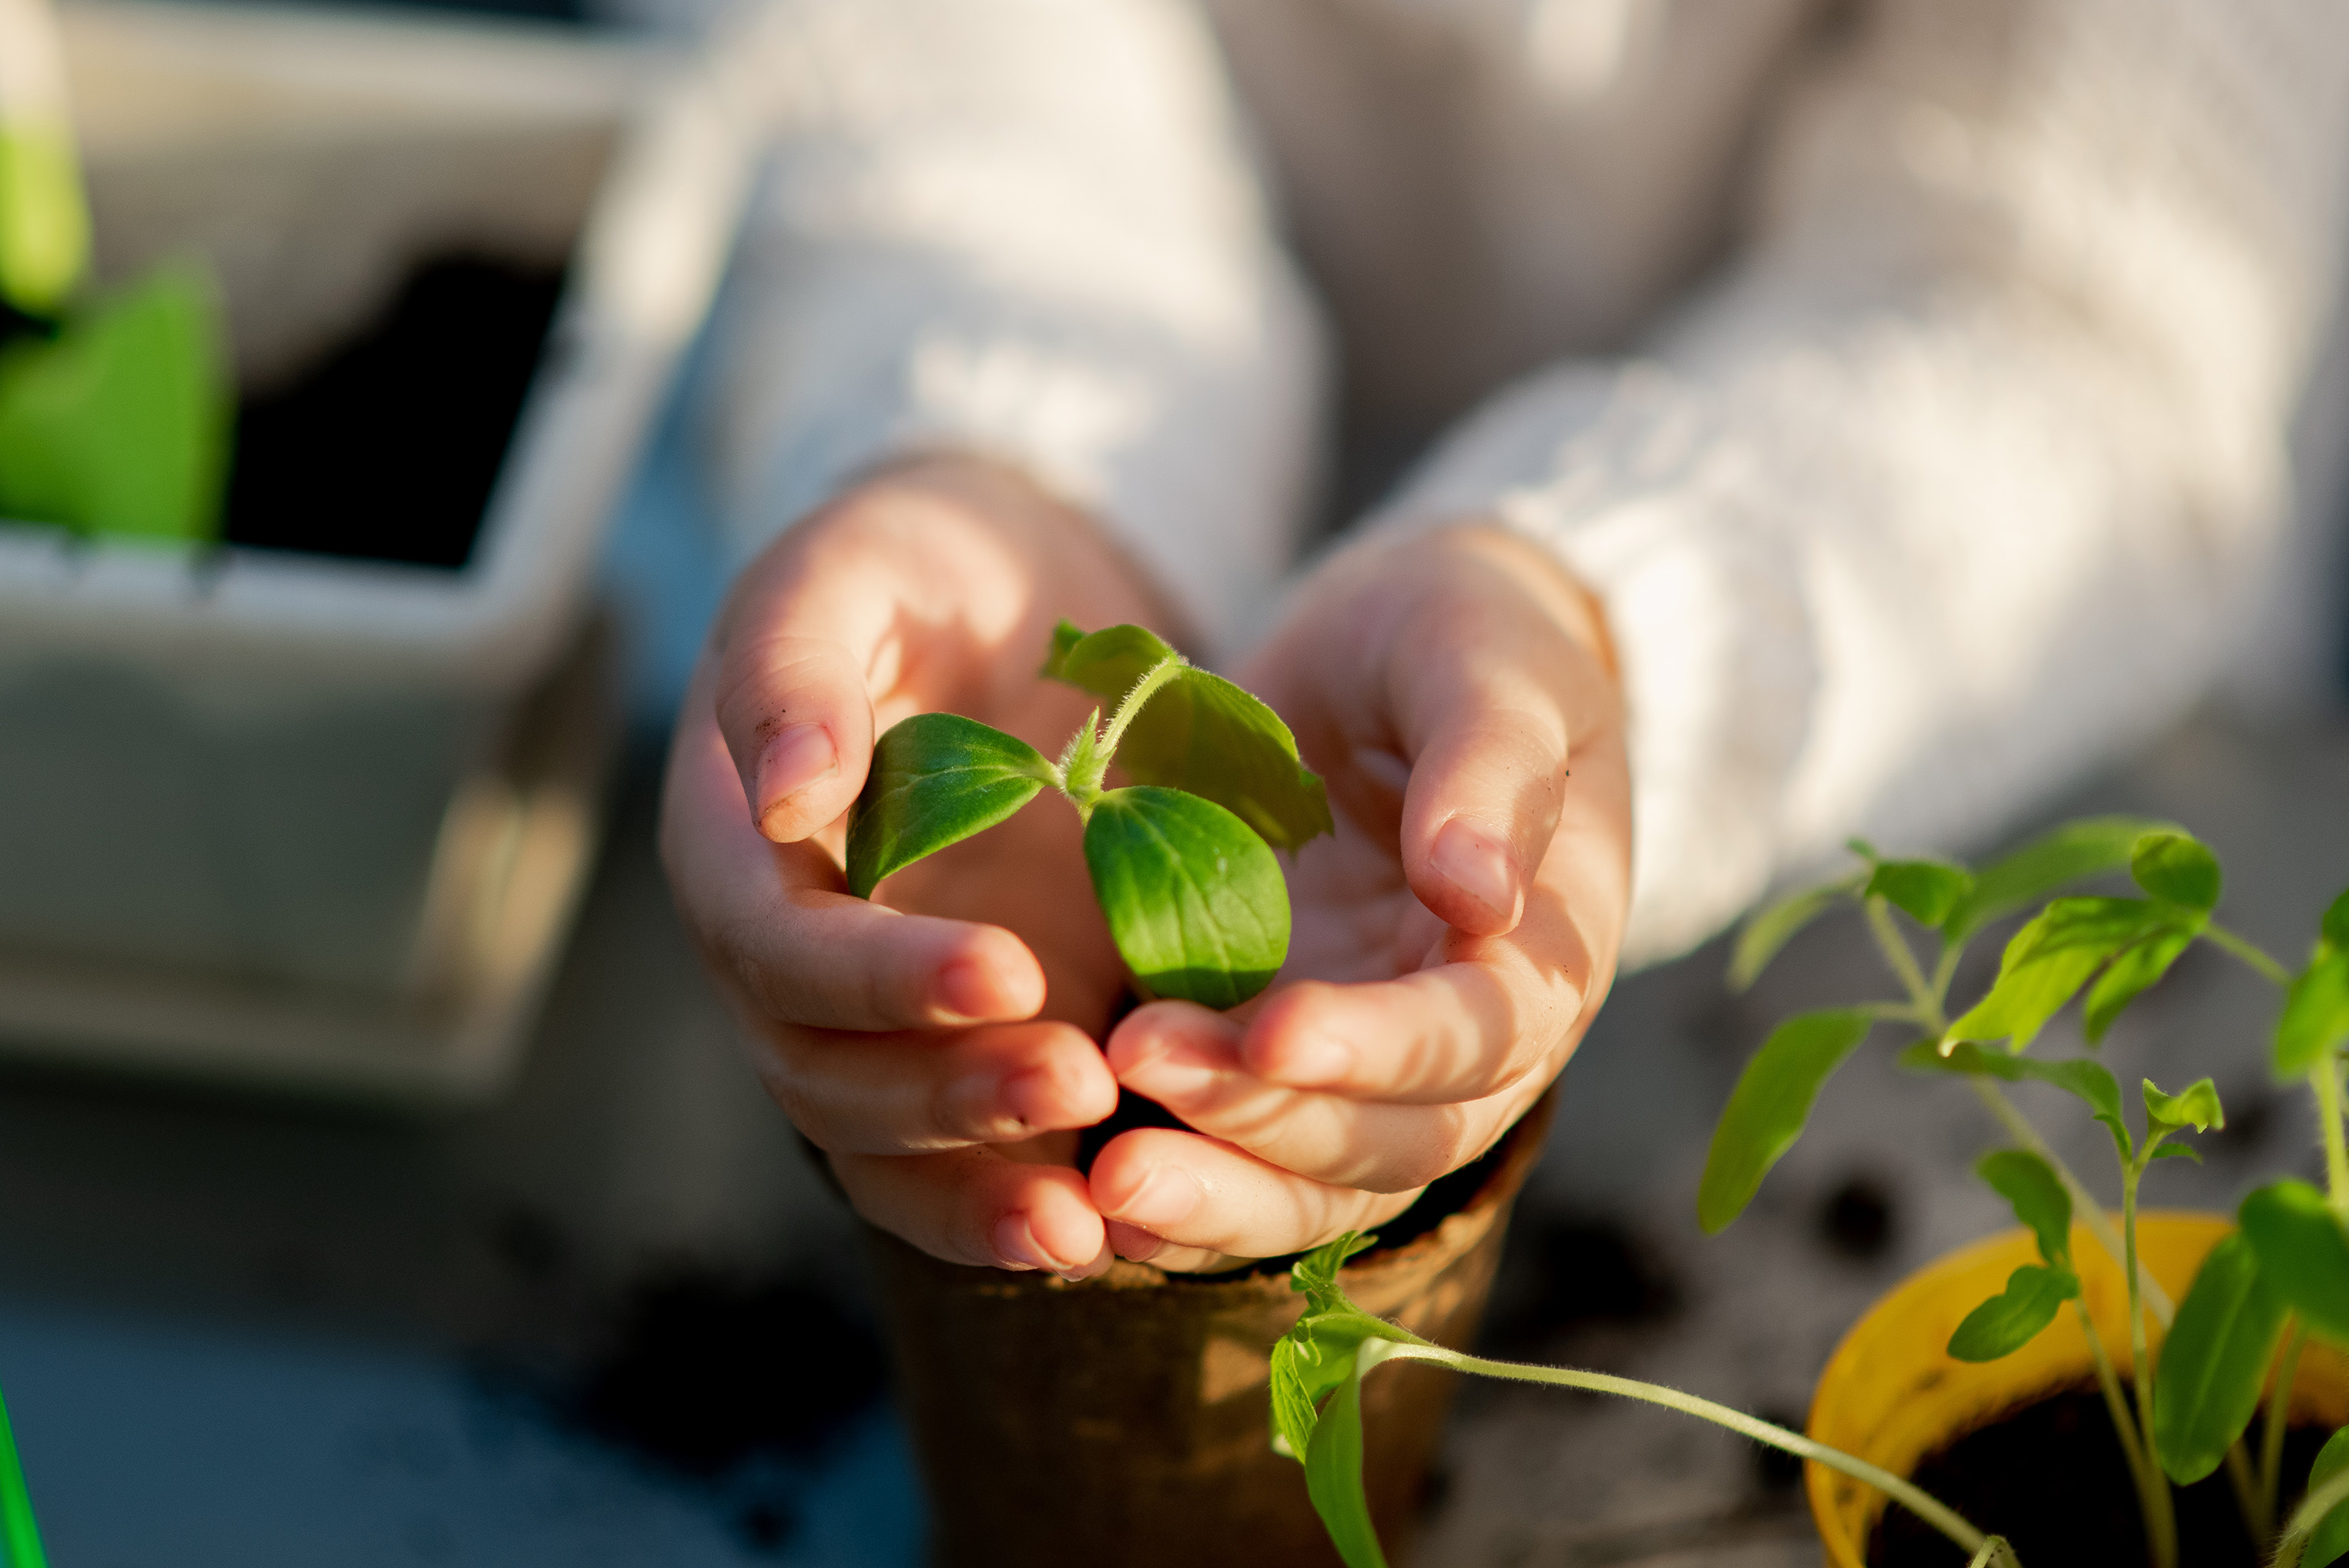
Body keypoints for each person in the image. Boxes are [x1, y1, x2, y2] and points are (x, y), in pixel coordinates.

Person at [656, 0, 2349, 1279]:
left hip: (1942, 697)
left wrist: (1613, 604)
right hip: (1147, 591)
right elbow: (907, 70)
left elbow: (2073, 307)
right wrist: (982, 453)